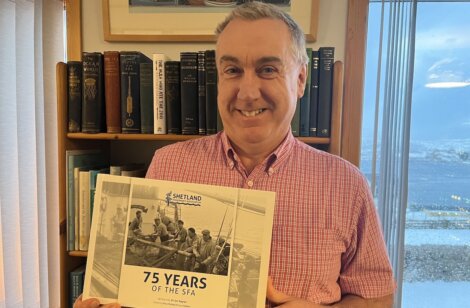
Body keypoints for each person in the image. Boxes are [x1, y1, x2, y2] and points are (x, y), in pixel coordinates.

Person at [75, 2, 395, 307]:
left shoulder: (345, 183)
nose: (247, 92)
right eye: (232, 70)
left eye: (267, 69)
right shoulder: (168, 164)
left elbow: (378, 298)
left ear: (300, 79)